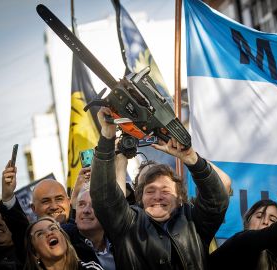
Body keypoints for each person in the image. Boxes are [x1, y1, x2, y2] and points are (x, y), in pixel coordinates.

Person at [90, 107, 229, 269]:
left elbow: (217, 200)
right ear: (139, 198)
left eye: (166, 191)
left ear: (180, 198)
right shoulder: (127, 224)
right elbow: (104, 197)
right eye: (150, 191)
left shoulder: (193, 222)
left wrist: (191, 158)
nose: (158, 196)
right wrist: (107, 135)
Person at [24, 216, 103, 270]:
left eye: (53, 228)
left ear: (64, 238)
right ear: (35, 253)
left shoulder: (91, 268)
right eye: (40, 234)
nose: (49, 233)